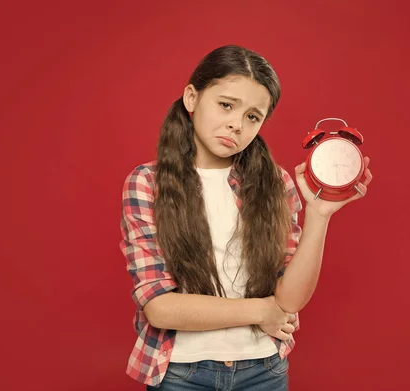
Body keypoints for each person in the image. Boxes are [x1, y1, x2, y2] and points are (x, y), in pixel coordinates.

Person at [119, 44, 373, 390]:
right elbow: (160, 308)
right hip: (181, 373)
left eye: (253, 116)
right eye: (226, 105)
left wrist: (319, 214)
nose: (236, 125)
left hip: (263, 371)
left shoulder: (275, 183)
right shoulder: (147, 183)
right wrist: (261, 312)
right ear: (192, 98)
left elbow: (289, 301)